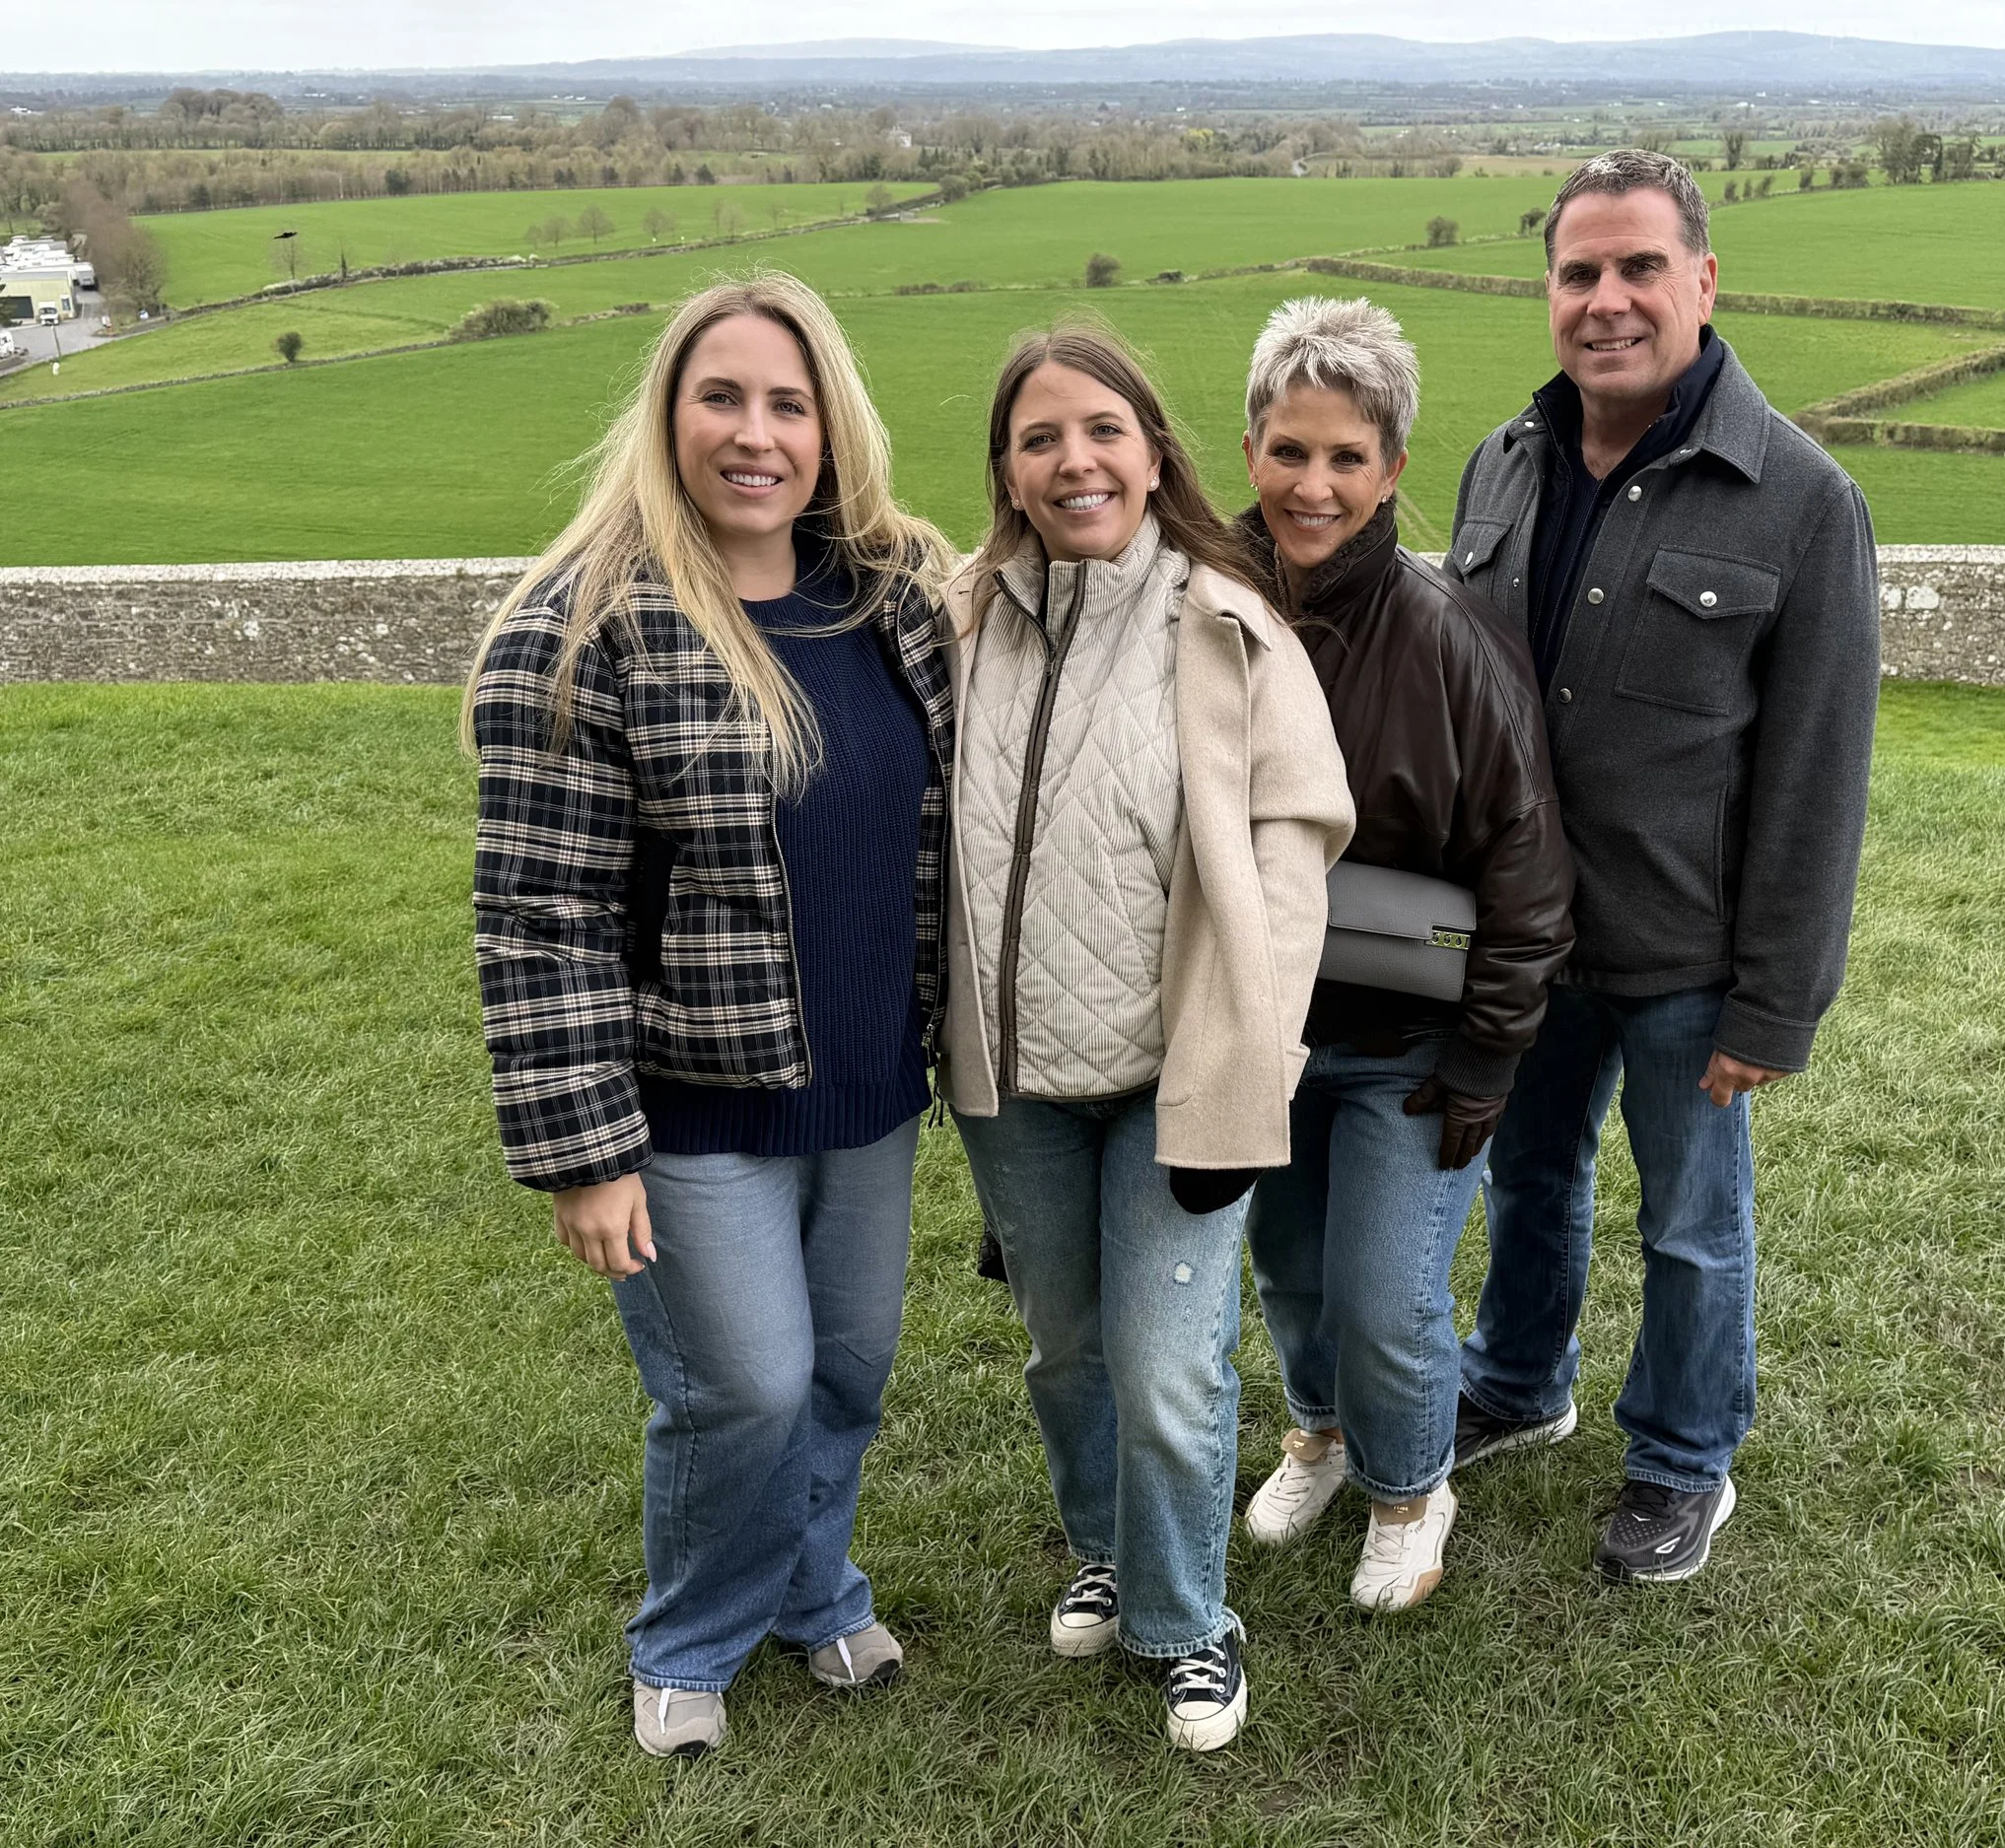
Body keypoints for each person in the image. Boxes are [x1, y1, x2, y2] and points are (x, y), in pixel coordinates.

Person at [464, 274, 954, 1758]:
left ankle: (815, 1589)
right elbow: (541, 915)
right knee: (741, 1382)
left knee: (848, 1368)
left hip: (869, 1082)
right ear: (668, 415)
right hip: (687, 1105)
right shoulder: (585, 630)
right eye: (722, 398)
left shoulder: (890, 599)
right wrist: (584, 1152)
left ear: (832, 425)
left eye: (788, 404)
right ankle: (688, 1634)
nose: (756, 434)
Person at [1445, 151, 1881, 1582]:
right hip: (1529, 938)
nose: (1607, 300)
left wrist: (1778, 1005)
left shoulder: (1803, 501)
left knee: (1692, 1225)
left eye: (1640, 268)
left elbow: (1818, 776)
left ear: (1704, 279)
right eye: (1579, 272)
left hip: (1692, 956)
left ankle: (1685, 1459)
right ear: (1548, 292)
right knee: (1532, 1178)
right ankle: (1518, 1381)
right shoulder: (1500, 463)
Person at [943, 324, 1351, 1751]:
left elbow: (1297, 852)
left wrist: (1260, 1044)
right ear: (1007, 467)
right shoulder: (962, 619)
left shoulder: (1227, 621)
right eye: (1041, 436)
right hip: (1013, 1086)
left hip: (1182, 1082)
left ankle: (1190, 1622)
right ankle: (1106, 1549)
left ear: (1154, 448)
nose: (1075, 460)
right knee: (1068, 1353)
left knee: (1172, 1367)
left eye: (1102, 429)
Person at [1231, 298, 1572, 1610]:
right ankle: (1317, 1428)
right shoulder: (1204, 607)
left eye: (1346, 459)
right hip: (1256, 1032)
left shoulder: (1452, 644)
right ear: (1252, 445)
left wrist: (1487, 1057)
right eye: (1289, 450)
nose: (1314, 485)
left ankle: (1410, 1483)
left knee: (1386, 1297)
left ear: (1392, 473)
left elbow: (1530, 873)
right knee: (1293, 1270)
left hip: (1406, 1048)